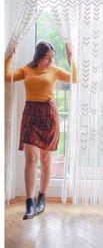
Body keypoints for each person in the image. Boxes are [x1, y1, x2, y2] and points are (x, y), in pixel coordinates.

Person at [5, 41, 77, 220]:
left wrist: (70, 60)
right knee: (31, 158)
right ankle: (29, 202)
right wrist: (9, 57)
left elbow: (74, 78)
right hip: (30, 114)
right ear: (38, 56)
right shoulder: (26, 70)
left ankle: (41, 196)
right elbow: (7, 76)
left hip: (48, 115)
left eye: (52, 57)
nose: (51, 61)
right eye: (47, 57)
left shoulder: (55, 70)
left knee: (45, 159)